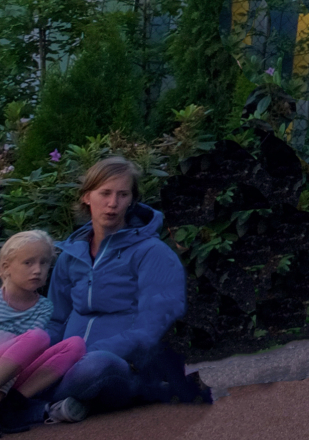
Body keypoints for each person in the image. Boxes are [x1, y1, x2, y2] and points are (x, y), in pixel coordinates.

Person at [40, 157, 208, 422]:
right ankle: (63, 404)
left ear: (132, 199)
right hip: (66, 361)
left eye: (122, 194)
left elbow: (153, 327)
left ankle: (32, 408)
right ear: (87, 197)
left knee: (97, 366)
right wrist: (39, 355)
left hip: (122, 366)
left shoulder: (152, 253)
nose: (112, 203)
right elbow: (56, 319)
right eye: (104, 193)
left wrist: (89, 351)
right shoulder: (70, 257)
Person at [0, 231, 80, 440]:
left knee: (75, 345)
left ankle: (8, 405)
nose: (37, 270)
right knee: (38, 337)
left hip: (8, 381)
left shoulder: (43, 307)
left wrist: (0, 394)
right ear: (5, 267)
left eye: (44, 263)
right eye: (28, 263)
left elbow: (21, 357)